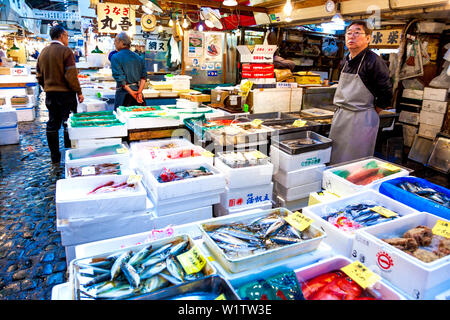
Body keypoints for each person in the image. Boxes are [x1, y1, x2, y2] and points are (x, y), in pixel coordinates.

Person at [328, 20, 393, 164]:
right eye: (349, 33)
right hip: (341, 116)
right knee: (336, 156)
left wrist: (370, 111)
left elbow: (387, 92)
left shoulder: (374, 61)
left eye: (357, 33)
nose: (352, 37)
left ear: (368, 38)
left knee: (355, 160)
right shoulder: (346, 60)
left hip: (361, 118)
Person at [36, 25, 84, 163]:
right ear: (62, 36)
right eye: (67, 36)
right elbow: (71, 75)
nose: (67, 38)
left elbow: (38, 76)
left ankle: (55, 157)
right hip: (66, 94)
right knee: (68, 122)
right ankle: (70, 153)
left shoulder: (43, 52)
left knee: (52, 123)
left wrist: (47, 87)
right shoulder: (66, 51)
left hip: (50, 94)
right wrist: (78, 92)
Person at [110, 32, 147, 109]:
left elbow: (120, 79)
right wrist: (139, 92)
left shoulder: (115, 57)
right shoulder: (139, 57)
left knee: (122, 119)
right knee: (138, 118)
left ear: (121, 42)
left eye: (116, 41)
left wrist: (131, 92)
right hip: (138, 95)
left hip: (123, 96)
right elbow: (143, 78)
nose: (115, 44)